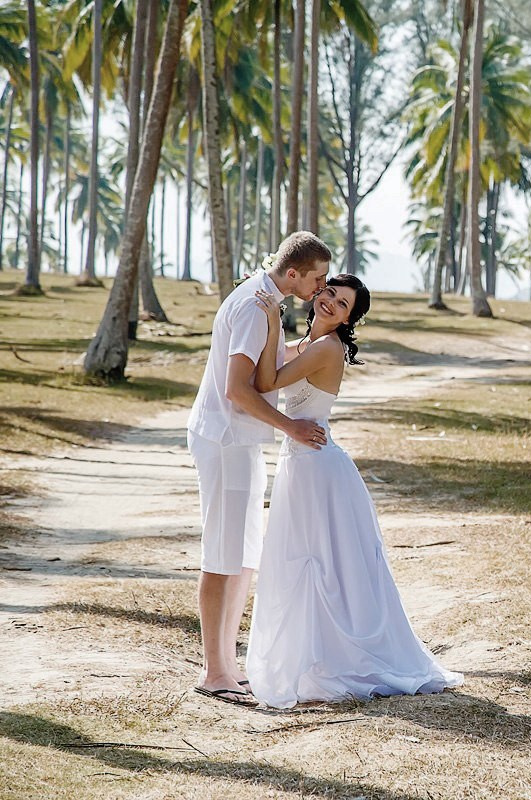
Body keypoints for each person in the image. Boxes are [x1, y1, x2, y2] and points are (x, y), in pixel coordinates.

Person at [245, 274, 463, 708]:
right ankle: (315, 653)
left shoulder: (327, 347)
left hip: (318, 466)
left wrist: (273, 319)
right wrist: (276, 325)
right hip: (302, 461)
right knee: (311, 561)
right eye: (329, 294)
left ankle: (340, 657)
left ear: (348, 320)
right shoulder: (311, 342)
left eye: (342, 304)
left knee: (326, 564)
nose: (330, 303)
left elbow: (267, 382)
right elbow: (267, 366)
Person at [186, 231, 331, 707]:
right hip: (226, 438)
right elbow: (237, 389)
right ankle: (214, 671)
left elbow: (270, 365)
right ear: (294, 273)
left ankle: (228, 664)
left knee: (243, 552)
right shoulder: (254, 305)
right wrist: (291, 426)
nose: (321, 288)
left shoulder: (268, 300)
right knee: (222, 552)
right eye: (318, 278)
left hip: (242, 441)